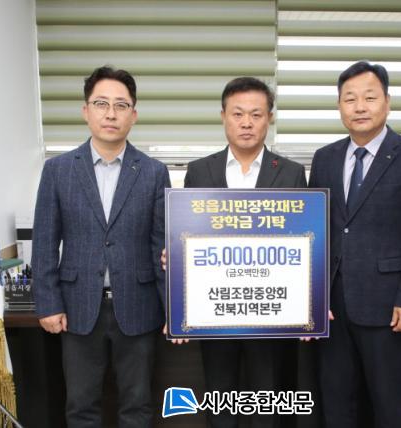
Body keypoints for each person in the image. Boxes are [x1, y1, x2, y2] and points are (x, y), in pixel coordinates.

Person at [32, 66, 170, 427]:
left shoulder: (154, 172)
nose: (111, 114)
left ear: (133, 115)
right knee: (81, 407)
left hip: (139, 306)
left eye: (121, 105)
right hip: (77, 307)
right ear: (86, 111)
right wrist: (48, 302)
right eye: (101, 104)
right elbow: (45, 241)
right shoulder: (58, 170)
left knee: (138, 406)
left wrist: (173, 309)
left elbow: (160, 246)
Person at [308, 61, 401, 427]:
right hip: (332, 306)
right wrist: (312, 296)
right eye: (350, 99)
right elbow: (314, 230)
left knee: (387, 403)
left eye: (370, 97)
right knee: (336, 398)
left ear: (387, 102)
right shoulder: (325, 158)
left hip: (387, 305)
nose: (360, 107)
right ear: (340, 106)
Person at [184, 77, 307, 427]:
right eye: (238, 114)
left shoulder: (291, 173)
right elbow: (188, 233)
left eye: (256, 114)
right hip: (216, 311)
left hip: (271, 313)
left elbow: (304, 241)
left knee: (267, 401)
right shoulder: (199, 171)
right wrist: (175, 256)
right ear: (223, 116)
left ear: (270, 118)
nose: (247, 123)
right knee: (220, 397)